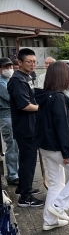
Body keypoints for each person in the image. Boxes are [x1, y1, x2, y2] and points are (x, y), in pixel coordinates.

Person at [35, 62, 69, 231]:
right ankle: (59, 207)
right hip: (57, 147)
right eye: (68, 75)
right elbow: (62, 126)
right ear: (62, 77)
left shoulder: (42, 96)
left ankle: (49, 220)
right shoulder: (59, 97)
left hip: (45, 147)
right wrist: (66, 150)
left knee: (56, 182)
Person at [7, 48, 43, 207]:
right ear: (19, 62)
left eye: (34, 61)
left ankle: (23, 188)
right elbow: (24, 105)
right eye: (29, 62)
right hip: (25, 127)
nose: (33, 64)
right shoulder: (17, 81)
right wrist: (42, 108)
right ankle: (25, 198)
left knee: (26, 160)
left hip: (29, 126)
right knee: (28, 161)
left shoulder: (26, 77)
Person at [0, 57, 19, 186]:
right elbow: (12, 97)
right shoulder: (1, 83)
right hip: (7, 116)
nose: (9, 69)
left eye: (10, 66)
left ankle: (15, 173)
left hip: (12, 115)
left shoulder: (7, 80)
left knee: (16, 146)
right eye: (6, 67)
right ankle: (12, 175)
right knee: (12, 146)